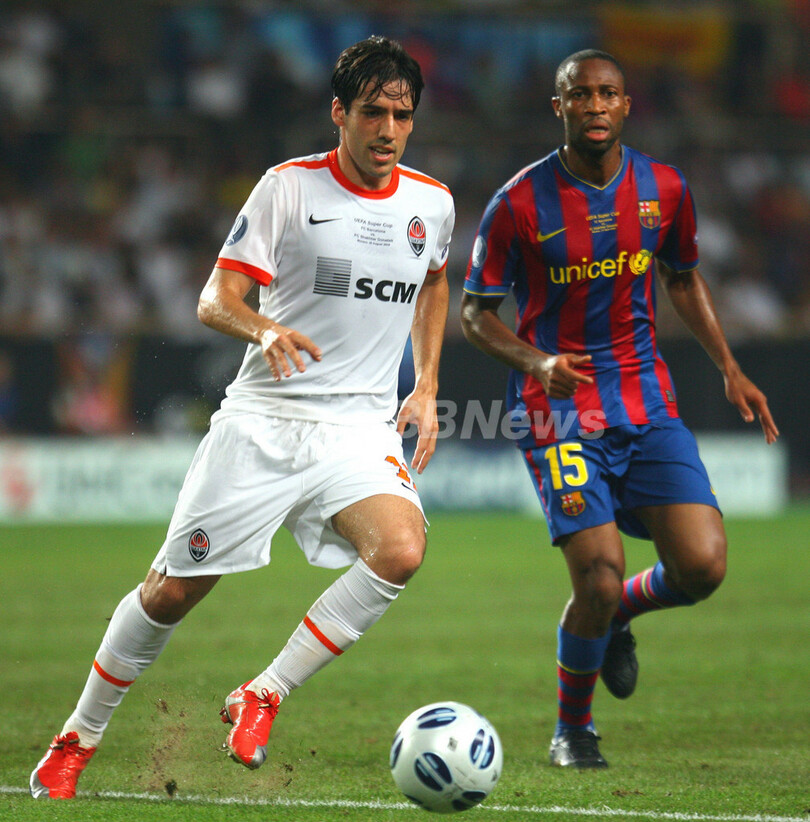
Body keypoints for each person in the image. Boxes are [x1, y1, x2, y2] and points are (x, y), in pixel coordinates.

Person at [31, 35, 454, 799]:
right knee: (170, 593)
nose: (388, 130)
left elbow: (434, 282)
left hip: (358, 428)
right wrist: (263, 329)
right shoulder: (287, 189)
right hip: (265, 419)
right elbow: (214, 299)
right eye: (372, 113)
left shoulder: (432, 203)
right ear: (339, 113)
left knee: (400, 550)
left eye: (401, 116)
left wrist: (424, 384)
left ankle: (264, 692)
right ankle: (77, 737)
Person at [460, 49, 778, 769]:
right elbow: (476, 314)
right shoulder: (518, 202)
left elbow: (683, 278)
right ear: (560, 108)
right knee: (597, 575)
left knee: (702, 567)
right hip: (557, 409)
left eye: (608, 94)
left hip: (645, 400)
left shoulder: (664, 187)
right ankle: (573, 730)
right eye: (581, 95)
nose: (595, 105)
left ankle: (618, 615)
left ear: (626, 105)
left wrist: (730, 368)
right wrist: (537, 362)